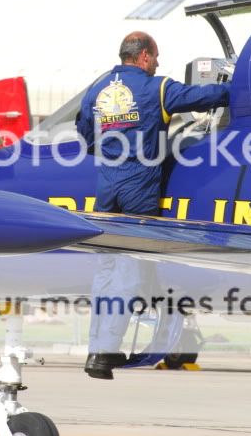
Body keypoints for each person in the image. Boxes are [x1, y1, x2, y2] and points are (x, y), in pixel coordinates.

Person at [76, 31, 230, 379]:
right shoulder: (156, 88)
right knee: (130, 271)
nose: (158, 63)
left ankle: (95, 348)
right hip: (138, 191)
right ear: (143, 56)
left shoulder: (97, 88)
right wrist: (239, 89)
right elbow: (200, 97)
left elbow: (85, 134)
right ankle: (104, 354)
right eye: (156, 56)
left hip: (107, 189)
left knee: (105, 272)